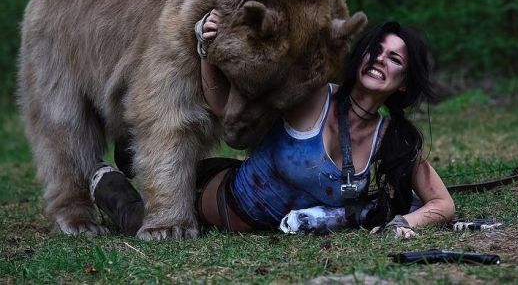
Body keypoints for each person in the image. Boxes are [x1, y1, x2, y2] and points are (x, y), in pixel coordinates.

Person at [90, 12, 454, 238]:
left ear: (404, 82)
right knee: (143, 222)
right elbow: (223, 106)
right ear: (361, 57)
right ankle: (117, 171)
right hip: (214, 199)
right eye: (376, 50)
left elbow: (442, 204)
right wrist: (207, 47)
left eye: (394, 59)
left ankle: (116, 172)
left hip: (271, 223)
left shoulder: (393, 141)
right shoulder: (311, 95)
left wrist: (405, 223)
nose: (380, 60)